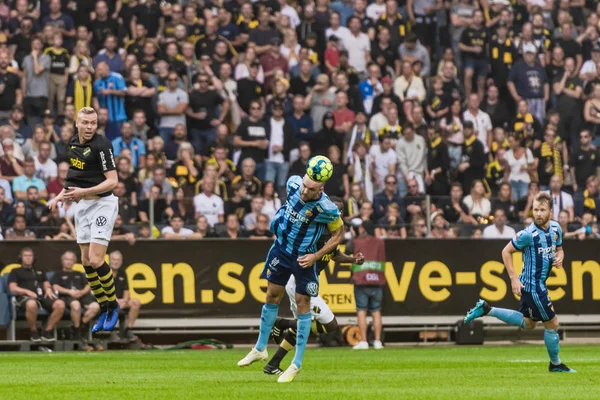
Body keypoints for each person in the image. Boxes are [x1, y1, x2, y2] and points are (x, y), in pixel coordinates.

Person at [237, 159, 344, 383]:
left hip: (304, 258)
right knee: (271, 296)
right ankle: (260, 348)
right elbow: (286, 209)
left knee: (304, 306)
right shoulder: (293, 183)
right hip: (281, 250)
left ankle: (296, 363)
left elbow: (338, 236)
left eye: (311, 188)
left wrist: (315, 256)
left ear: (321, 189)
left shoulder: (327, 209)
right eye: (305, 185)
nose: (305, 190)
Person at [464, 192, 576, 373]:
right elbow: (505, 252)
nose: (538, 213)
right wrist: (513, 278)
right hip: (533, 286)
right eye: (535, 209)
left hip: (538, 284)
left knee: (529, 323)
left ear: (550, 211)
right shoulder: (528, 234)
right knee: (553, 323)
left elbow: (560, 249)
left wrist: (560, 258)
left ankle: (487, 309)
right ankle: (555, 365)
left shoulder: (556, 229)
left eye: (542, 210)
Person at [265, 197, 364, 374]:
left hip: (303, 283)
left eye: (341, 211)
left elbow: (334, 254)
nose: (338, 213)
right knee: (331, 325)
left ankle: (272, 364)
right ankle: (281, 323)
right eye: (335, 209)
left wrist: (353, 259)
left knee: (301, 329)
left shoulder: (332, 233)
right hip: (298, 282)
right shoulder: (315, 230)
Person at [49, 106, 120, 334]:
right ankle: (102, 307)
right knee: (86, 261)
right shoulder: (73, 143)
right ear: (77, 124)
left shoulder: (102, 145)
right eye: (85, 123)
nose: (89, 127)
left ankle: (113, 306)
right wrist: (61, 195)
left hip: (102, 203)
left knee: (97, 259)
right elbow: (73, 177)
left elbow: (113, 181)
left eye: (93, 123)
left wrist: (82, 192)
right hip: (83, 205)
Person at [8, 247, 66, 342]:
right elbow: (12, 288)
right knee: (31, 304)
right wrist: (27, 291)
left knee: (60, 304)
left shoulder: (40, 271)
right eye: (25, 256)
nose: (28, 258)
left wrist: (48, 289)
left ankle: (47, 330)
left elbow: (46, 283)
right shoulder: (15, 271)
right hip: (25, 298)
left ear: (34, 258)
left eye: (30, 256)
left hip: (42, 297)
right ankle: (34, 331)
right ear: (21, 257)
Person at [51, 250, 100, 348]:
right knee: (76, 305)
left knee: (96, 306)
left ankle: (77, 327)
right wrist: (69, 292)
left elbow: (88, 286)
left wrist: (81, 292)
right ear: (62, 261)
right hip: (66, 297)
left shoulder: (79, 274)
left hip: (82, 296)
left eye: (71, 260)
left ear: (74, 261)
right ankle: (78, 334)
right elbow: (55, 287)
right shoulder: (58, 274)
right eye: (66, 259)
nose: (68, 262)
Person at [349, 219, 386, 350]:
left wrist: (353, 236)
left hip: (361, 280)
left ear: (363, 229)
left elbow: (348, 249)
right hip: (377, 280)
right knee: (376, 311)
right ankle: (377, 341)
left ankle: (364, 341)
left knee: (361, 310)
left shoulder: (357, 241)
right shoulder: (380, 242)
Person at [109, 251, 142, 341]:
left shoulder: (123, 273)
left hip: (121, 301)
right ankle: (113, 332)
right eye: (114, 259)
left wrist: (125, 301)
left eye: (118, 260)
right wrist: (116, 301)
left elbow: (126, 290)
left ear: (121, 262)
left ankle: (129, 330)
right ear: (109, 260)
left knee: (136, 302)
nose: (116, 262)